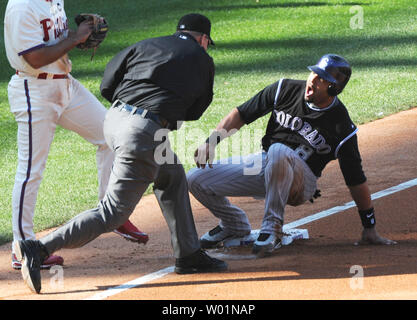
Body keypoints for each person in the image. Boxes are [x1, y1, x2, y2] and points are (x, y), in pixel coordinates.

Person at [13, 13, 227, 294]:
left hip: (113, 120)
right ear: (203, 39)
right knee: (112, 212)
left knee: (172, 175)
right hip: (143, 132)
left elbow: (107, 83)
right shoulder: (203, 60)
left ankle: (189, 254)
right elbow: (196, 111)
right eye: (207, 43)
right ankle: (38, 248)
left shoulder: (147, 43)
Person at [188, 54, 397, 257]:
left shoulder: (341, 125)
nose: (313, 80)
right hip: (269, 164)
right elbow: (242, 114)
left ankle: (272, 228)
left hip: (302, 182)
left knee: (279, 150)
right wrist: (211, 142)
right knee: (195, 179)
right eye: (314, 74)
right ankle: (233, 225)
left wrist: (369, 226)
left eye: (321, 79)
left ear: (334, 88)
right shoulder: (284, 89)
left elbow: (355, 180)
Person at [4, 0, 148, 271]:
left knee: (111, 136)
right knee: (31, 170)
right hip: (34, 90)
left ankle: (111, 213)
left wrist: (75, 39)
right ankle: (22, 247)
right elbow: (34, 58)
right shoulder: (22, 6)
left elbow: (52, 41)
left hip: (65, 85)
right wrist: (75, 37)